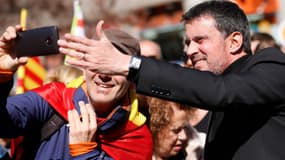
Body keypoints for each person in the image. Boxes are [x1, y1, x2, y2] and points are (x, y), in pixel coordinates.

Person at [58, 1, 285, 160]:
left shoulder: (271, 65)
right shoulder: (219, 86)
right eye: (187, 42)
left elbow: (222, 92)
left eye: (200, 40)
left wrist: (130, 65)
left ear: (234, 42)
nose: (190, 50)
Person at [0, 26, 152, 159]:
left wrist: (84, 153)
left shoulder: (138, 138)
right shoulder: (52, 97)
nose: (104, 75)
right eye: (97, 62)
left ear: (132, 77)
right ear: (84, 65)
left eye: (114, 67)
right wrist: (1, 74)